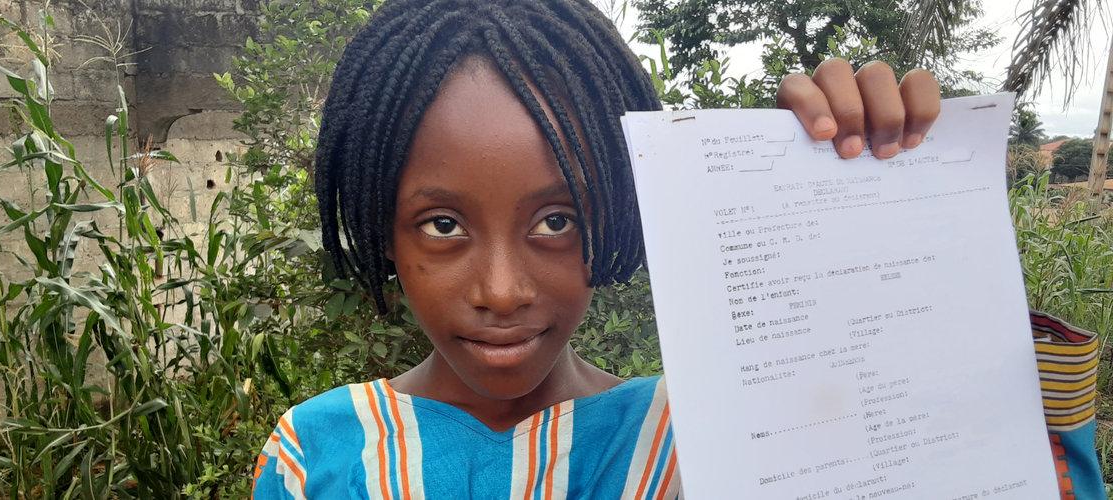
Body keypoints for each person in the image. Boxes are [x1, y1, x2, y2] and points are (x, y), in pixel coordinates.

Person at [251, 0, 1104, 497]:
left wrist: (870, 200)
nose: (503, 290)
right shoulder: (317, 457)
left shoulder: (711, 439)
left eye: (558, 219)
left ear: (616, 210)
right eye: (442, 225)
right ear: (380, 227)